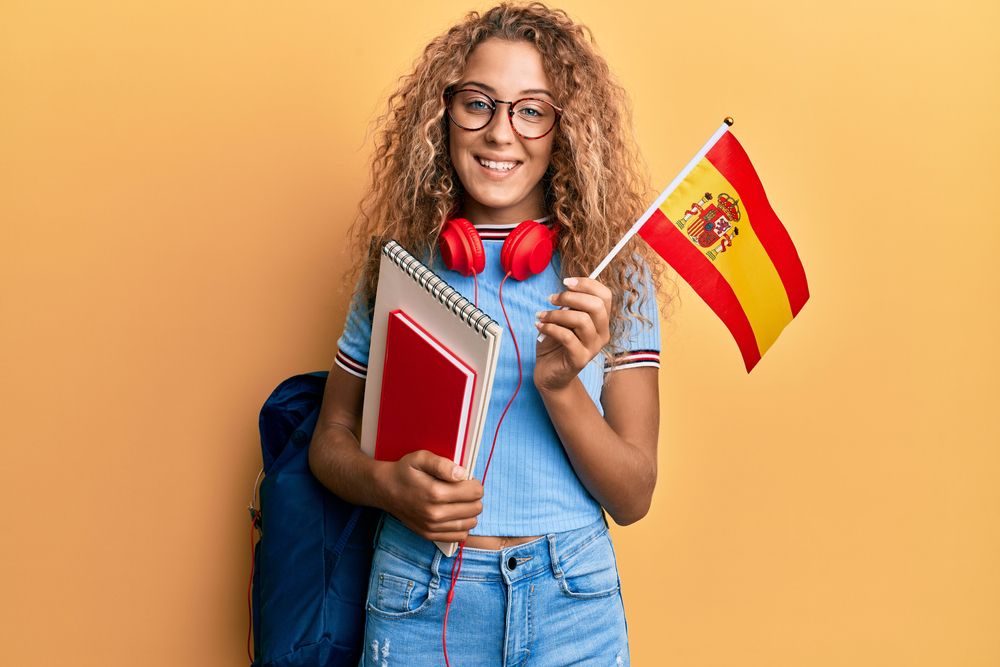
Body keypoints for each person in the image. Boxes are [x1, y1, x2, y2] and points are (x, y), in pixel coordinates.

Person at [308, 3, 668, 664]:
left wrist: (560, 389)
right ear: (443, 116)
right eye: (479, 103)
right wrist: (386, 484)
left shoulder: (613, 275)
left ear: (565, 131)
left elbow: (634, 494)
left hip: (572, 599)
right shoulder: (401, 263)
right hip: (418, 591)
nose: (502, 132)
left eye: (531, 109)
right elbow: (329, 442)